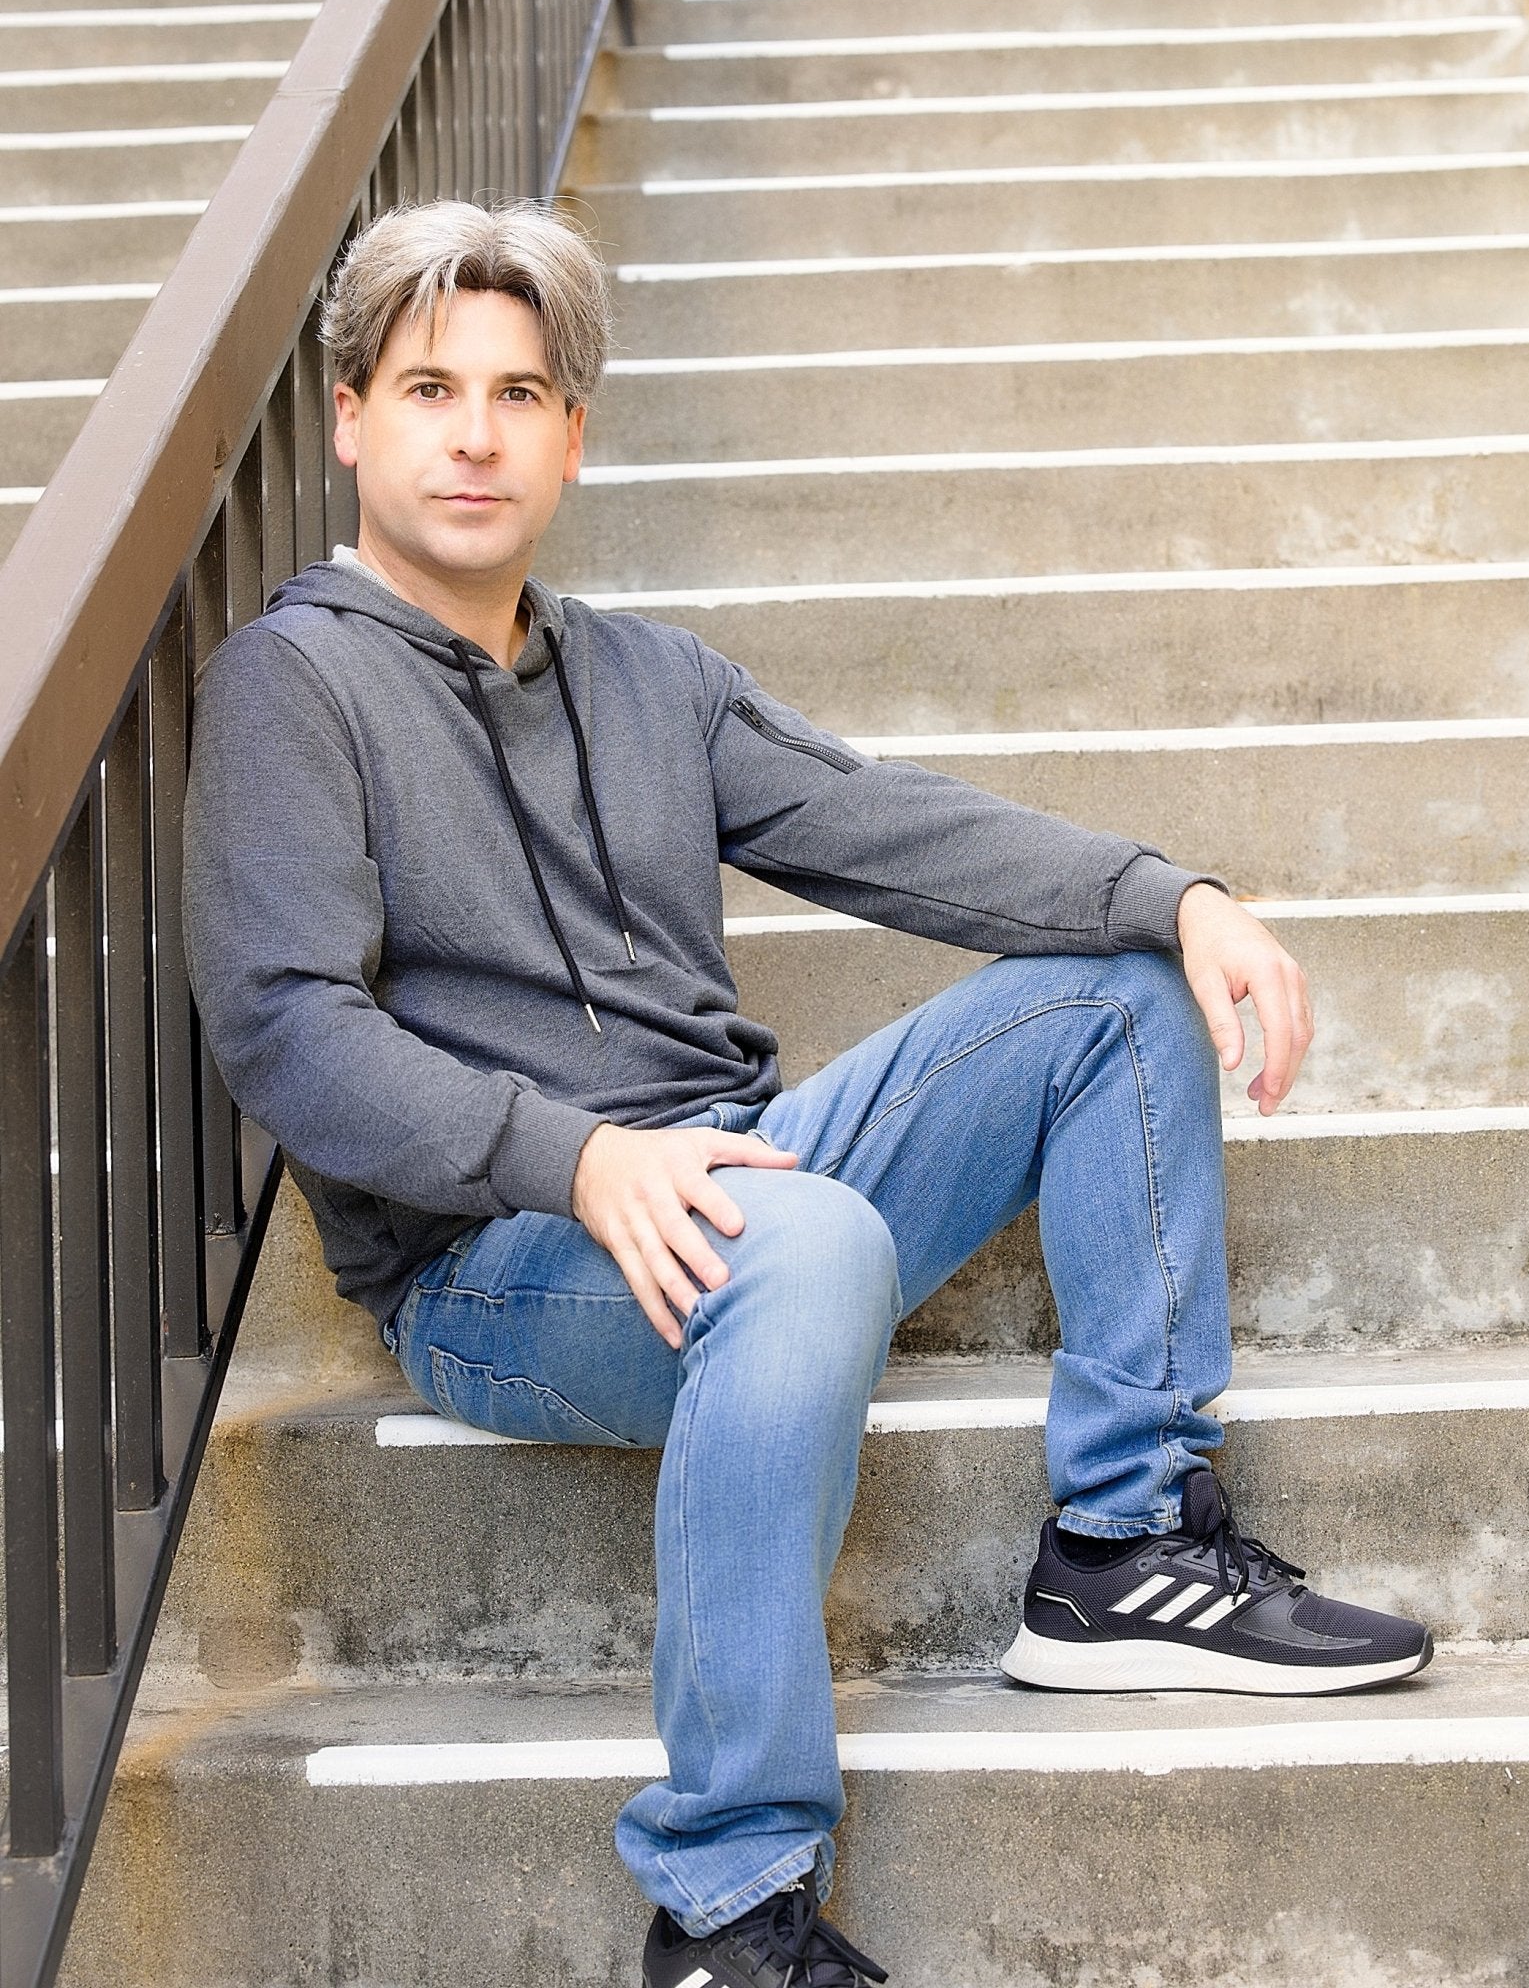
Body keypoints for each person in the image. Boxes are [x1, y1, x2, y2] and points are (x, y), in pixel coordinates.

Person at [181, 199, 1432, 1988]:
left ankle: (1122, 1546)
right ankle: (725, 1903)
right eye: (431, 389)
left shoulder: (649, 680)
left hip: (742, 1174)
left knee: (1117, 986)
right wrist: (575, 1156)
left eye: (519, 394)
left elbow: (885, 828)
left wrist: (1177, 893)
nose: (475, 435)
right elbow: (289, 1032)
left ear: (571, 435)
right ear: (351, 418)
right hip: (496, 1262)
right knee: (808, 1241)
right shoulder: (289, 688)